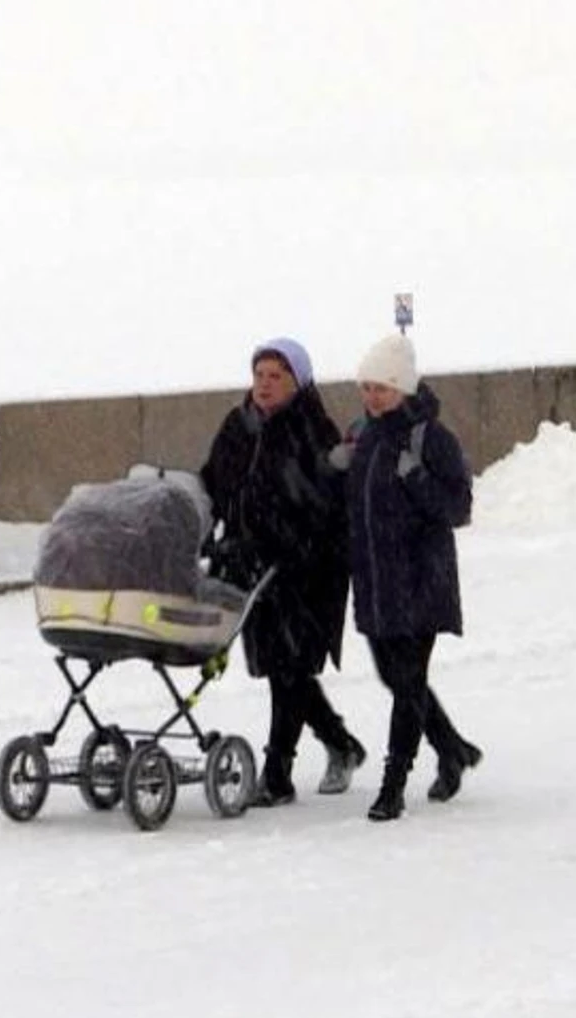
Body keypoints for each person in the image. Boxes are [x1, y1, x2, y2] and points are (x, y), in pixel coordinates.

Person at [200, 337, 365, 806]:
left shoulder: (313, 430)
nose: (265, 385)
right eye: (259, 375)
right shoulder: (239, 426)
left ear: (298, 382)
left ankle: (277, 773)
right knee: (279, 667)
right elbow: (213, 481)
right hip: (250, 562)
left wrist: (292, 540)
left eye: (277, 377)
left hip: (307, 568)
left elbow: (325, 502)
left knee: (290, 667)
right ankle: (341, 743)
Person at [337, 333, 483, 822]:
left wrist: (415, 476)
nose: (372, 397)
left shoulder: (432, 438)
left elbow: (458, 508)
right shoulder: (365, 435)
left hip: (422, 580)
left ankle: (393, 785)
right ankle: (452, 749)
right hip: (377, 582)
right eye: (366, 387)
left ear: (403, 388)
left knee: (409, 683)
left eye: (381, 388)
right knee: (396, 677)